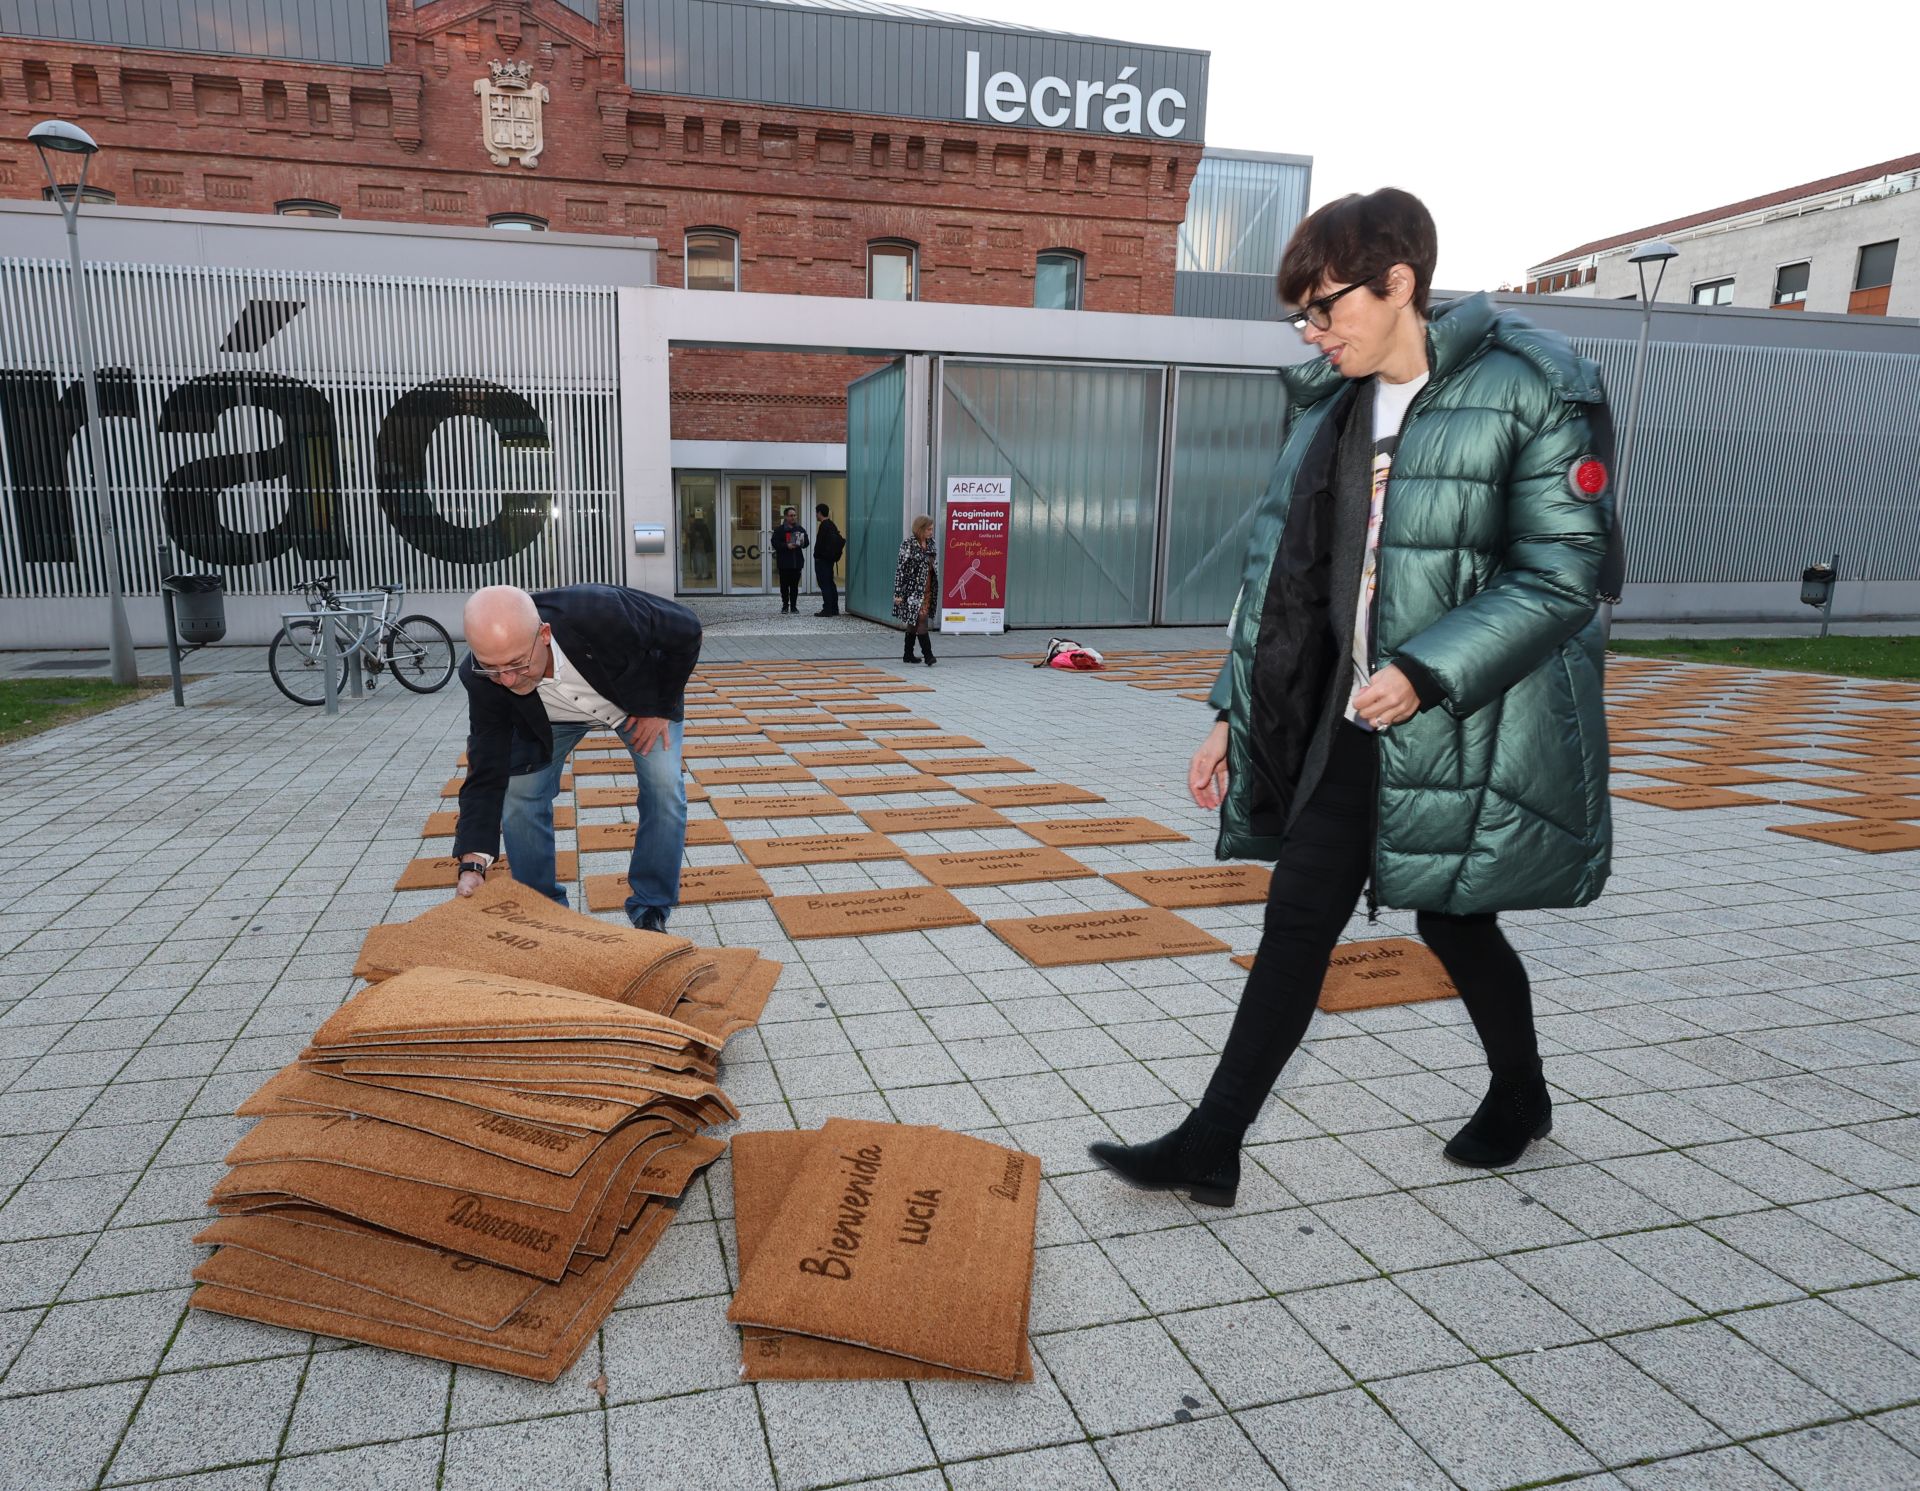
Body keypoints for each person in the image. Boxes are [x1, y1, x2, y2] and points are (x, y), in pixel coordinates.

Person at [1090, 188, 1617, 1205]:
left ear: (1400, 284)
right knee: (1297, 921)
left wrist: (1426, 672)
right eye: (1304, 315)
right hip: (1350, 720)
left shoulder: (1528, 389)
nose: (1314, 330)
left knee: (1452, 923)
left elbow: (1563, 574)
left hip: (1466, 716)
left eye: (1327, 307)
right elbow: (1275, 582)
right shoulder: (1328, 410)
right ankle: (1213, 1139)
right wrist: (1228, 712)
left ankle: (1521, 1095)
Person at [451, 583, 701, 933]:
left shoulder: (601, 612)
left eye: (517, 664)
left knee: (664, 786)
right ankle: (544, 912)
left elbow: (687, 628)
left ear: (544, 634)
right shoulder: (482, 678)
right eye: (492, 668)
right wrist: (473, 860)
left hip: (637, 705)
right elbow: (486, 765)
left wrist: (660, 707)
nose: (506, 680)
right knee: (519, 793)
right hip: (550, 719)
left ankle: (651, 907)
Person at [892, 514, 938, 666]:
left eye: (932, 529)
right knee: (921, 619)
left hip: (927, 589)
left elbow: (933, 566)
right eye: (929, 529)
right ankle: (929, 655)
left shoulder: (931, 544)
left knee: (914, 620)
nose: (931, 532)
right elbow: (901, 569)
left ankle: (907, 654)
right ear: (920, 529)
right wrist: (898, 593)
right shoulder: (908, 544)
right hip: (911, 590)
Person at [772, 506, 809, 613]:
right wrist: (786, 546)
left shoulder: (800, 529)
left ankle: (793, 606)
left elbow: (807, 543)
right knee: (784, 586)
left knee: (794, 586)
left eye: (794, 515)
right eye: (791, 515)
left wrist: (801, 542)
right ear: (786, 517)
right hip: (784, 563)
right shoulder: (780, 530)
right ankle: (785, 605)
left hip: (796, 562)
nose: (793, 517)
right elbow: (775, 543)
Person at [813, 502, 845, 616]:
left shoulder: (824, 525)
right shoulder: (832, 524)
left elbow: (820, 544)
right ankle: (834, 608)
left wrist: (816, 555)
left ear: (820, 513)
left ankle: (827, 609)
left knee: (825, 584)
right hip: (830, 560)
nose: (816, 515)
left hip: (822, 560)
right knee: (830, 584)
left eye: (816, 513)